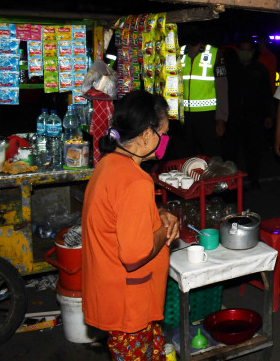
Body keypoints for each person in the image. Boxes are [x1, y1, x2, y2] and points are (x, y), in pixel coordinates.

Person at [82, 90, 180, 360]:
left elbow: (119, 216)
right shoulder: (136, 181)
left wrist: (157, 212)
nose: (165, 141)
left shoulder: (109, 164)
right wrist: (165, 231)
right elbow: (135, 254)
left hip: (114, 295)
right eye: (164, 133)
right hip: (129, 305)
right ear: (147, 134)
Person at [169, 26, 228, 159]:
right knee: (183, 154)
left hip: (207, 116)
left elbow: (222, 89)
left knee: (212, 153)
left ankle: (216, 179)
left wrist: (221, 119)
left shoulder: (215, 54)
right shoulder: (178, 53)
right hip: (183, 116)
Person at [229, 36, 274, 188]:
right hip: (233, 117)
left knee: (253, 151)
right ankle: (232, 182)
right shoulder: (231, 69)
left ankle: (254, 180)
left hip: (254, 117)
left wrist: (269, 115)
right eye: (243, 50)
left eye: (248, 50)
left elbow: (267, 93)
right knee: (231, 152)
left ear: (253, 51)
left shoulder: (260, 69)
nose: (245, 53)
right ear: (238, 51)